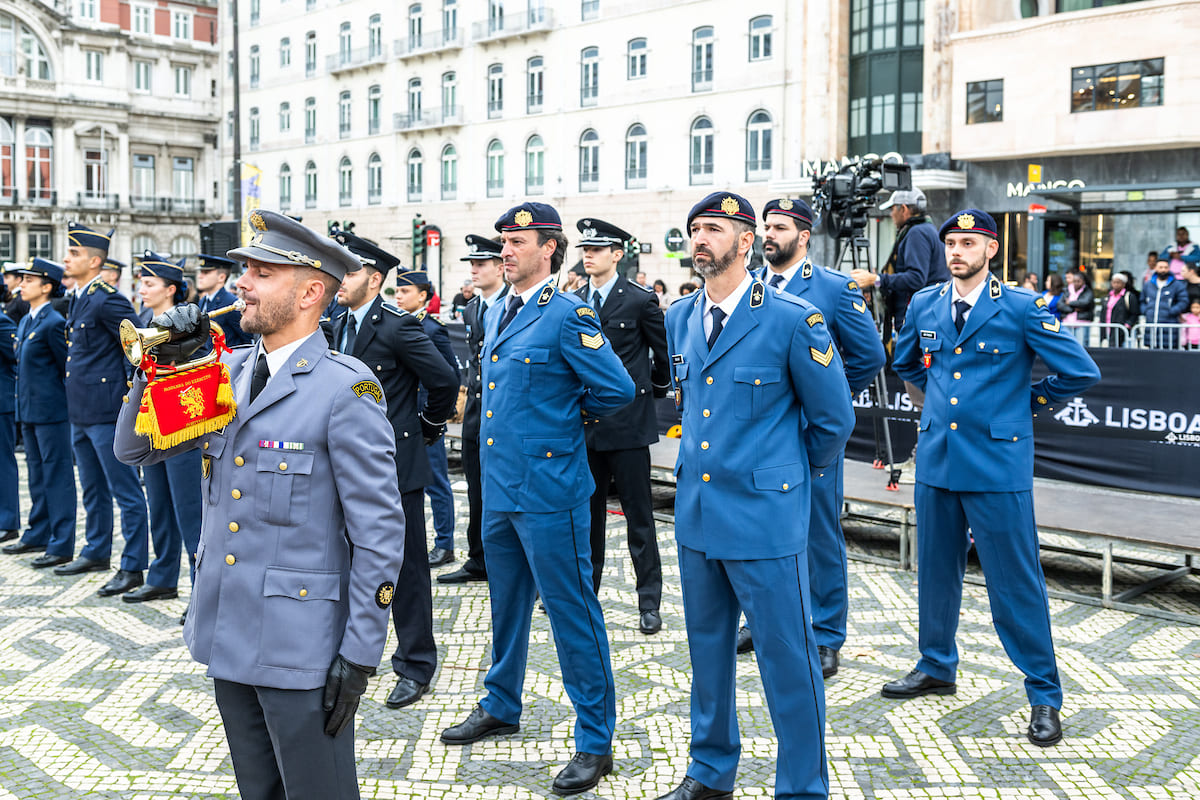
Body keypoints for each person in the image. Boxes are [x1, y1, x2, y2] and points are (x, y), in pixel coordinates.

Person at [114, 209, 406, 799]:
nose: (241, 282)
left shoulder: (345, 389)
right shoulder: (225, 372)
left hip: (303, 646)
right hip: (229, 632)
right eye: (246, 269)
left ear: (310, 292)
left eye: (262, 272)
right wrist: (164, 366)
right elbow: (135, 449)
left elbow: (380, 534)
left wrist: (360, 651)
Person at [655, 192, 854, 800]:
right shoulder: (680, 317)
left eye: (713, 229)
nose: (699, 239)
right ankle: (710, 772)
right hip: (697, 517)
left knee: (788, 663)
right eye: (694, 230)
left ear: (746, 241)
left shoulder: (794, 318)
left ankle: (801, 788)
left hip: (766, 522)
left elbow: (833, 421)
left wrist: (785, 481)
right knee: (707, 657)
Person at [887, 209, 1100, 748]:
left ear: (991, 250)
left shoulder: (1023, 308)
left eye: (969, 242)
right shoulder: (925, 302)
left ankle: (1044, 694)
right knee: (935, 571)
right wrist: (931, 398)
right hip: (937, 458)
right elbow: (907, 362)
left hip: (997, 464)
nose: (956, 250)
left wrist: (1027, 403)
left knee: (1015, 581)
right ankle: (936, 665)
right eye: (951, 242)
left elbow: (1080, 371)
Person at [440, 202, 633, 797]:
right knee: (508, 605)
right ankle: (502, 702)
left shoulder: (566, 313)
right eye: (503, 240)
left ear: (549, 248)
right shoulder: (499, 308)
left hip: (551, 491)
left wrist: (565, 426)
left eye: (517, 240)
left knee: (572, 611)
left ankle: (595, 740)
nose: (505, 250)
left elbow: (617, 389)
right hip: (500, 488)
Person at [736, 198, 886, 675]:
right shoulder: (749, 286)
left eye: (779, 228)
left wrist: (824, 403)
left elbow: (869, 358)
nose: (768, 235)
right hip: (758, 436)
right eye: (766, 227)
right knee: (758, 530)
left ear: (803, 236)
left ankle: (825, 634)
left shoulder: (834, 288)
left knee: (819, 534)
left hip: (809, 434)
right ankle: (762, 620)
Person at [327, 229, 459, 711]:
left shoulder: (397, 326)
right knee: (345, 562)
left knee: (405, 570)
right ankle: (352, 651)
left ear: (375, 278)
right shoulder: (335, 322)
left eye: (351, 270)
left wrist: (426, 425)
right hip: (341, 464)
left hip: (393, 466)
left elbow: (445, 379)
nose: (341, 278)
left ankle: (416, 663)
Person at [573, 217, 670, 635]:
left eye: (597, 250)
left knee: (640, 519)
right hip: (587, 427)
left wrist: (657, 392)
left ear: (617, 255)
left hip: (628, 428)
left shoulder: (638, 300)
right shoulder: (574, 300)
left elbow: (663, 355)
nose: (588, 255)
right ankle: (586, 592)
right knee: (586, 519)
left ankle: (649, 601)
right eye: (585, 250)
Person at [54, 222, 151, 597]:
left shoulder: (107, 297)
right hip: (80, 410)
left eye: (75, 254)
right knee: (92, 488)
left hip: (108, 411)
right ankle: (96, 550)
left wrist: (130, 397)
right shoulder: (80, 296)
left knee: (125, 491)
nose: (67, 258)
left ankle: (133, 565)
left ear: (95, 261)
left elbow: (137, 347)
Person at [122, 251, 204, 603]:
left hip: (181, 425)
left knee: (190, 512)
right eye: (142, 282)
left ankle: (202, 590)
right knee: (159, 505)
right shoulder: (142, 320)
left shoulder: (190, 323)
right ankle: (163, 576)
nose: (143, 288)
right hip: (149, 425)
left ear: (171, 290)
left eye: (150, 283)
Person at [439, 235, 508, 586]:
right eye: (472, 264)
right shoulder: (471, 308)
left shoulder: (512, 306)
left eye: (481, 264)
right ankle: (478, 560)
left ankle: (513, 564)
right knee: (476, 488)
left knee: (507, 491)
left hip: (505, 414)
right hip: (477, 413)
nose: (474, 270)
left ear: (500, 267)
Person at [2, 259, 74, 564]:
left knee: (57, 476)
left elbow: (64, 369)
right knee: (37, 475)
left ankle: (61, 543)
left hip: (52, 412)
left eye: (29, 281)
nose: (21, 285)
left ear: (46, 287)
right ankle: (38, 532)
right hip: (28, 411)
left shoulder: (53, 323)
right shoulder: (26, 321)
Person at [391, 269, 460, 567]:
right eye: (397, 292)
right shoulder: (396, 326)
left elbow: (450, 376)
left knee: (436, 482)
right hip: (404, 418)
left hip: (425, 418)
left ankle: (445, 544)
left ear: (423, 296)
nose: (398, 296)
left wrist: (434, 417)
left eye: (405, 292)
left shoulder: (433, 328)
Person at [849, 187, 949, 346]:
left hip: (919, 317)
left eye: (892, 209)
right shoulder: (926, 229)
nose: (891, 214)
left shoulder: (917, 233)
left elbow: (916, 279)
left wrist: (875, 279)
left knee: (905, 366)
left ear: (903, 209)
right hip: (929, 315)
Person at [195, 254, 251, 347]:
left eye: (206, 272)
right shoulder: (203, 301)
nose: (200, 276)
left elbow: (247, 340)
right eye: (201, 272)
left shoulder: (231, 303)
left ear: (221, 277)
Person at [1141, 258, 1189, 348]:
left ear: (1169, 268)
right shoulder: (1148, 285)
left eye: (1166, 267)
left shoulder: (1177, 285)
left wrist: (1172, 311)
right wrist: (1146, 311)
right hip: (1151, 327)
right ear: (1155, 268)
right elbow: (1142, 300)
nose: (1163, 270)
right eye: (1160, 267)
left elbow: (1183, 301)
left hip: (1169, 327)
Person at [0, 305, 16, 543]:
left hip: (2, 403)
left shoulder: (2, 323)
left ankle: (8, 521)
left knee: (3, 464)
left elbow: (17, 358)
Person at [1100, 271, 1138, 347]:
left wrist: (1127, 325)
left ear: (1124, 284)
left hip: (1122, 331)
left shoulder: (1129, 296)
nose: (1116, 284)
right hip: (1108, 329)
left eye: (1118, 282)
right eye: (1114, 282)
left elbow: (1135, 313)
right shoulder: (1108, 297)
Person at [1059, 271, 1094, 346]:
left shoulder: (1088, 291)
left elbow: (1085, 302)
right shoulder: (1067, 290)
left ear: (1084, 282)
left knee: (1081, 345)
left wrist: (1070, 303)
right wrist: (1072, 309)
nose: (1076, 283)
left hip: (1082, 322)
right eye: (1074, 281)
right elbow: (1060, 304)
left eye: (1079, 281)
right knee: (1067, 345)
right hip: (1067, 322)